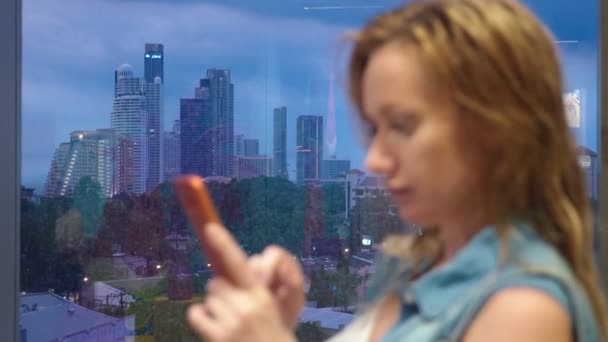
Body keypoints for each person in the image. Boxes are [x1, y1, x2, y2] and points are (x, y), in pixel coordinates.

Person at [185, 0, 608, 341]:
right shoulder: (420, 269)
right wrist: (279, 323)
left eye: (402, 125)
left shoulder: (525, 310)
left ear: (495, 127)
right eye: (375, 128)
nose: (374, 160)